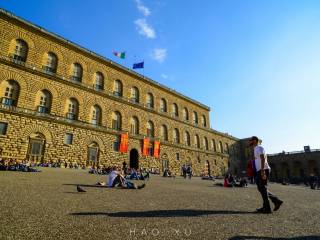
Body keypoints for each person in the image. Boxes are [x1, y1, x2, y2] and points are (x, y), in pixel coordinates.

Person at [249, 136, 283, 214]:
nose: (249, 142)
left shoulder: (259, 148)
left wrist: (262, 170)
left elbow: (263, 158)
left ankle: (267, 208)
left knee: (262, 188)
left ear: (254, 141)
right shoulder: (255, 149)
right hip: (260, 170)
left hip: (262, 170)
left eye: (250, 140)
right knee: (261, 188)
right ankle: (275, 201)